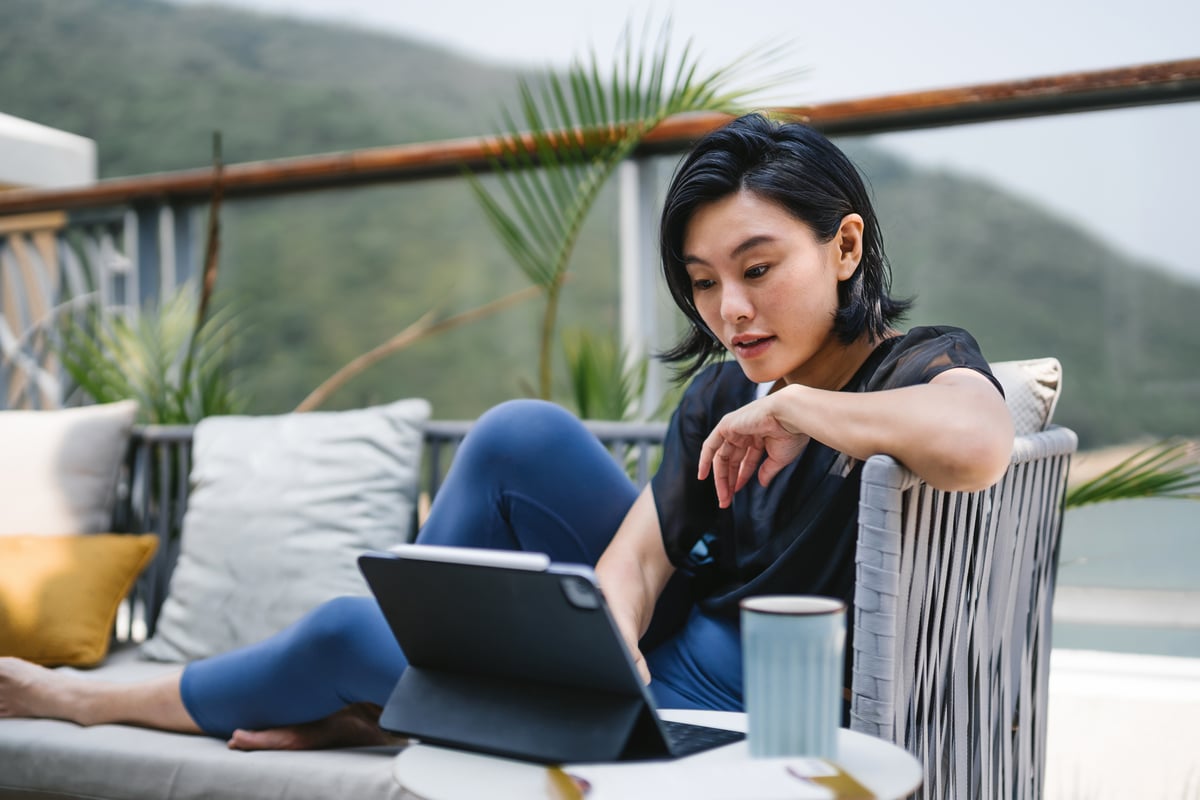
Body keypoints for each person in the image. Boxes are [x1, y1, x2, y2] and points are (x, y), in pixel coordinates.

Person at [0, 112, 1013, 750]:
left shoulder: (912, 365)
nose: (730, 311)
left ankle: (76, 699)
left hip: (752, 706)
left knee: (345, 632)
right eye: (702, 283)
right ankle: (414, 691)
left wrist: (798, 407)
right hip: (662, 666)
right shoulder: (720, 396)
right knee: (519, 433)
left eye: (757, 268)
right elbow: (639, 564)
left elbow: (979, 445)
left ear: (844, 246)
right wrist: (599, 642)